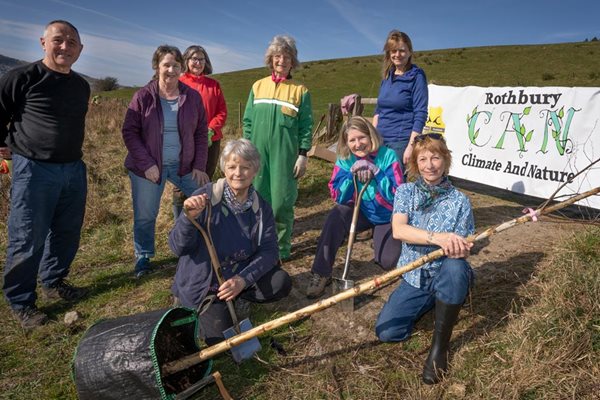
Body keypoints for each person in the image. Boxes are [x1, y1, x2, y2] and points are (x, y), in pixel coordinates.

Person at [0, 20, 90, 329]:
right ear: (43, 42)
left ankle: (53, 282)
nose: (65, 46)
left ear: (80, 49)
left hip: (73, 169)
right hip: (34, 170)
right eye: (58, 40)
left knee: (67, 232)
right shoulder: (22, 77)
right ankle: (21, 301)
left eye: (72, 42)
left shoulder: (81, 85)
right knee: (28, 235)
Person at [374, 133, 475, 384]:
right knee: (387, 331)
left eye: (435, 157)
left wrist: (460, 248)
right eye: (423, 159)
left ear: (445, 160)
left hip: (446, 270)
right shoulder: (406, 192)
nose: (430, 165)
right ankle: (438, 301)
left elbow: (466, 246)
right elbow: (399, 230)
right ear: (415, 163)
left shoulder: (460, 200)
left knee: (455, 269)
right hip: (415, 276)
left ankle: (440, 347)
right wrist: (438, 237)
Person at [169, 139, 292, 345]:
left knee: (281, 282)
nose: (238, 173)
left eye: (245, 167)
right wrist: (187, 219)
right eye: (232, 166)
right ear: (224, 168)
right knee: (221, 339)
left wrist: (243, 280)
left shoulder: (261, 208)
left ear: (255, 171)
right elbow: (177, 247)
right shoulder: (205, 198)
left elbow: (270, 251)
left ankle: (238, 296)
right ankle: (194, 305)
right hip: (206, 282)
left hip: (237, 274)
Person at [122, 45, 209, 278]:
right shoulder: (143, 97)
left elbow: (201, 132)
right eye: (166, 65)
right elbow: (130, 132)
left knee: (207, 199)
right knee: (145, 214)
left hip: (184, 165)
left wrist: (199, 166)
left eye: (176, 65)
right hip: (149, 167)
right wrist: (147, 164)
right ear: (156, 66)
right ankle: (143, 256)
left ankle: (196, 246)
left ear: (182, 68)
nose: (171, 70)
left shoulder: (191, 97)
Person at [306, 116, 403, 298]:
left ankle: (387, 235)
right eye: (352, 140)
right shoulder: (345, 159)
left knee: (387, 261)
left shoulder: (388, 156)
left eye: (362, 138)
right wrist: (351, 176)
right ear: (346, 142)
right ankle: (321, 272)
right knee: (337, 214)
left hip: (386, 215)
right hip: (362, 211)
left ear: (371, 136)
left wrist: (377, 173)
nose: (358, 144)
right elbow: (337, 195)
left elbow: (398, 194)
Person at [242, 35, 313, 261]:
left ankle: (281, 250)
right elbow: (248, 122)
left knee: (282, 204)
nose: (281, 60)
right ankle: (258, 246)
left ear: (293, 61)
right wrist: (246, 150)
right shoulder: (257, 86)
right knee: (256, 202)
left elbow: (306, 126)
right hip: (257, 156)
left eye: (287, 57)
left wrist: (303, 155)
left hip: (286, 157)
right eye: (277, 56)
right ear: (271, 60)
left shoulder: (300, 91)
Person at [172, 45, 228, 218]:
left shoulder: (213, 85)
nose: (197, 62)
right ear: (186, 61)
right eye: (194, 59)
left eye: (201, 59)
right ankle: (180, 223)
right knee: (180, 182)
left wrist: (211, 129)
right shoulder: (178, 83)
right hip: (183, 140)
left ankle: (201, 220)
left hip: (211, 140)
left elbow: (222, 111)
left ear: (206, 62)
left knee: (205, 179)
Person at [373, 30, 428, 178]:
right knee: (379, 182)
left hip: (400, 141)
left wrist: (411, 147)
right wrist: (373, 135)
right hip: (380, 139)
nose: (397, 54)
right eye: (393, 50)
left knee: (395, 184)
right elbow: (378, 110)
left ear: (410, 52)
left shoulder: (417, 76)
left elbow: (420, 113)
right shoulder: (387, 75)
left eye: (402, 50)